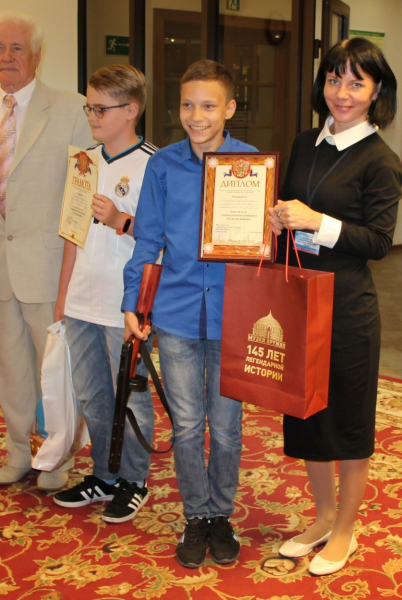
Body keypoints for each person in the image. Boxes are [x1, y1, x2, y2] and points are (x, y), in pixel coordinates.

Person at [268, 38, 402, 576]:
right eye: (333, 80)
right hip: (298, 299)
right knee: (307, 414)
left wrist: (315, 222)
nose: (341, 93)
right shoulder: (306, 142)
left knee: (346, 420)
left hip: (346, 309)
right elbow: (288, 207)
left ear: (376, 91)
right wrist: (278, 218)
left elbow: (379, 241)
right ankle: (323, 516)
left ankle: (346, 526)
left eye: (355, 83)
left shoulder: (380, 160)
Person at [123, 60, 256, 568]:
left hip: (232, 315)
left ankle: (221, 514)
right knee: (185, 425)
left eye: (208, 105)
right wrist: (134, 304)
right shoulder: (162, 166)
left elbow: (262, 246)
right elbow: (147, 241)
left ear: (229, 108)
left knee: (225, 428)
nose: (196, 116)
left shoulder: (252, 165)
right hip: (175, 314)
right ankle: (196, 516)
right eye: (187, 105)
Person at [0, 12, 93, 489]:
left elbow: (82, 194)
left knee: (55, 369)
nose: (7, 57)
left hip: (51, 265)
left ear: (37, 55)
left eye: (17, 48)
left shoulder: (73, 108)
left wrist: (75, 268)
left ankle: (57, 458)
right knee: (11, 368)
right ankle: (19, 451)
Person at [52, 65, 157, 523]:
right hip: (81, 298)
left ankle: (134, 479)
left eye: (101, 109)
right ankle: (104, 474)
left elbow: (163, 240)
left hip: (125, 304)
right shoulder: (83, 161)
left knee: (129, 396)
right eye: (89, 108)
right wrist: (63, 297)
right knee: (92, 393)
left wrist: (120, 221)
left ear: (131, 110)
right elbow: (71, 235)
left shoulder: (154, 164)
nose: (92, 116)